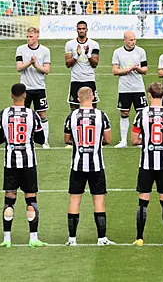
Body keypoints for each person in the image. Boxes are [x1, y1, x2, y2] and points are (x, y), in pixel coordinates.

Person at [0, 83, 48, 248]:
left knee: (9, 199)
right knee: (30, 199)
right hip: (28, 163)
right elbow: (40, 139)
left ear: (11, 95)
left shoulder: (3, 114)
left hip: (10, 163)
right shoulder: (32, 115)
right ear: (25, 95)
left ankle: (6, 239)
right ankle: (33, 237)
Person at [131, 82, 163, 246]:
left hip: (146, 163)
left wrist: (146, 141)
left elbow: (133, 140)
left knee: (143, 200)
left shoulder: (141, 114)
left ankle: (139, 238)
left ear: (149, 95)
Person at [64, 86, 113, 246]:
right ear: (93, 97)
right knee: (98, 201)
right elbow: (108, 139)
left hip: (77, 165)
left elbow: (67, 138)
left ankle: (72, 239)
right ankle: (101, 238)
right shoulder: (101, 115)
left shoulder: (71, 116)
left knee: (74, 200)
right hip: (96, 165)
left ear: (78, 99)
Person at [15, 27, 52, 148]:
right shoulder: (20, 49)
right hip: (25, 89)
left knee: (42, 115)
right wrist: (29, 63)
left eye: (31, 37)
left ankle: (44, 140)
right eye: (27, 36)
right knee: (23, 115)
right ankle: (23, 139)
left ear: (37, 36)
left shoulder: (45, 51)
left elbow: (46, 70)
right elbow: (19, 67)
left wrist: (36, 65)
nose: (28, 39)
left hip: (39, 88)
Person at [112, 30, 148, 148]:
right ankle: (123, 141)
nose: (133, 42)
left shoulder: (140, 51)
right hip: (124, 88)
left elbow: (145, 70)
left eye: (134, 39)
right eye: (131, 40)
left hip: (138, 88)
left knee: (141, 113)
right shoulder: (117, 52)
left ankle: (141, 139)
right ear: (125, 40)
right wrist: (128, 70)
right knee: (124, 112)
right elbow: (115, 71)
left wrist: (137, 69)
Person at [65, 21, 100, 110]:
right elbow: (68, 64)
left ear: (87, 30)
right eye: (79, 29)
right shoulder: (70, 44)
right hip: (76, 80)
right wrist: (77, 55)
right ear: (77, 30)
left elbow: (95, 64)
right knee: (74, 109)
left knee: (93, 108)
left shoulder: (94, 44)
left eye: (83, 29)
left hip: (89, 79)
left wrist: (88, 54)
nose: (81, 30)